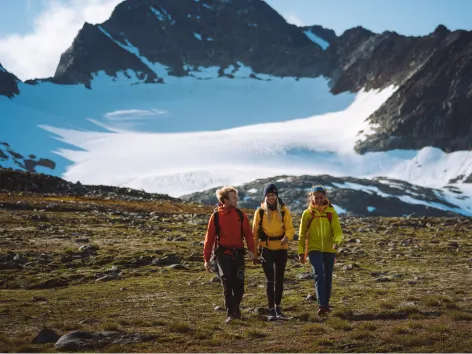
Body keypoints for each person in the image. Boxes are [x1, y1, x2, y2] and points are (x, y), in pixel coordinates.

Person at [203, 186, 255, 324]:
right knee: (227, 282)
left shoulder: (240, 215)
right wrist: (206, 259)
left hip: (238, 253)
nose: (237, 199)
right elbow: (209, 239)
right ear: (225, 199)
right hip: (222, 254)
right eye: (234, 197)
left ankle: (236, 307)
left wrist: (251, 250)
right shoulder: (215, 216)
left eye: (236, 196)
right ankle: (230, 313)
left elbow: (248, 234)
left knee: (239, 284)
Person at [298, 185, 343, 316]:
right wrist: (301, 252)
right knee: (319, 275)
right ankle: (322, 305)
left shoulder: (331, 212)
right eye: (316, 197)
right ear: (311, 197)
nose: (318, 200)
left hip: (329, 249)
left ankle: (326, 304)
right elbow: (301, 235)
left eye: (321, 198)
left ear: (325, 197)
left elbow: (338, 232)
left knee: (328, 277)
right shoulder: (307, 214)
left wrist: (337, 242)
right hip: (314, 249)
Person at [252, 183, 294, 321]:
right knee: (270, 280)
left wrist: (287, 238)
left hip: (281, 249)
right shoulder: (260, 212)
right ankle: (271, 309)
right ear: (265, 197)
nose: (271, 197)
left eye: (273, 195)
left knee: (279, 280)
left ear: (277, 195)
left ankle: (278, 307)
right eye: (268, 195)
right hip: (266, 248)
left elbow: (290, 228)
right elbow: (254, 233)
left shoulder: (284, 211)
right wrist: (254, 253)